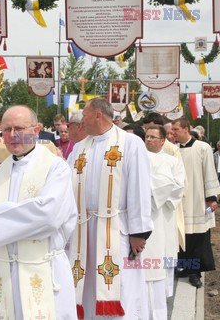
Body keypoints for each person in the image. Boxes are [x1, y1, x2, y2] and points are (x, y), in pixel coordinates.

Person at [0, 105, 78, 319]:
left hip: (42, 266)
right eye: (6, 130)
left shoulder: (55, 167)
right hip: (3, 271)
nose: (12, 135)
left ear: (36, 130)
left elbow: (48, 215)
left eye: (19, 129)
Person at [68, 98, 153, 319]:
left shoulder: (130, 144)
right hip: (84, 232)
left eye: (84, 116)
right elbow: (66, 186)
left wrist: (139, 232)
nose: (81, 122)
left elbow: (140, 187)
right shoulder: (79, 148)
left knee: (120, 287)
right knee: (87, 287)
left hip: (116, 230)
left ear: (98, 115)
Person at [172, 117, 220, 288]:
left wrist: (212, 198)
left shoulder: (203, 147)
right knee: (183, 237)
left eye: (176, 129)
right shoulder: (174, 149)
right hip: (179, 201)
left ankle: (195, 272)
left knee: (198, 237)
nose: (173, 133)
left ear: (186, 129)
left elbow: (209, 172)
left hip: (198, 199)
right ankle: (186, 268)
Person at [143, 126, 185, 320]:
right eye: (147, 136)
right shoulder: (137, 158)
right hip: (139, 219)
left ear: (162, 141)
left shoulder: (173, 162)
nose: (149, 139)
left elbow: (177, 187)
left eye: (153, 137)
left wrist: (149, 190)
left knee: (157, 267)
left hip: (161, 218)